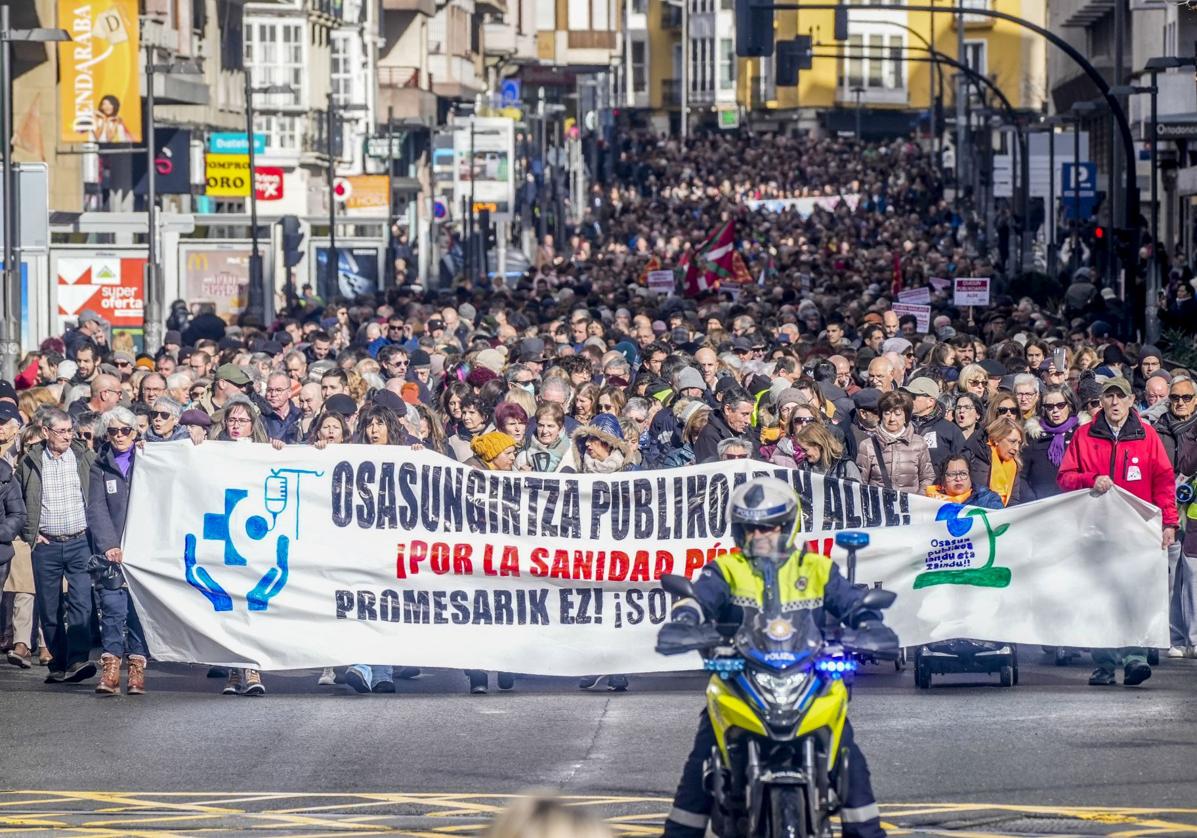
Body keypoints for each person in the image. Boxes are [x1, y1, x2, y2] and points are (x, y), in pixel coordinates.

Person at [662, 477, 891, 838]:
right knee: (702, 759)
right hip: (741, 677)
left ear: (788, 525)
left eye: (768, 526)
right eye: (750, 527)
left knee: (849, 756)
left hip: (808, 677)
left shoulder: (816, 567)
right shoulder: (727, 568)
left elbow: (850, 601)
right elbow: (698, 596)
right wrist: (684, 620)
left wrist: (869, 624)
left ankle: (866, 833)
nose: (759, 535)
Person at [1057, 376, 1179, 687]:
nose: (1114, 403)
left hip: (1137, 531)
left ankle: (1134, 657)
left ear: (1129, 401)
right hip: (1095, 530)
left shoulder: (1146, 436)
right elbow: (1065, 478)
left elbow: (1164, 481)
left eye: (1119, 397)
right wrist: (1090, 479)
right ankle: (1105, 665)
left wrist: (1169, 522)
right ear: (1101, 401)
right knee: (1099, 597)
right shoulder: (1085, 435)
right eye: (1108, 397)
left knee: (1133, 595)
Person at [16, 407, 97, 684]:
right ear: (46, 432)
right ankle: (58, 662)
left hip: (80, 541)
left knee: (82, 604)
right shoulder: (30, 461)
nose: (67, 436)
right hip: (46, 545)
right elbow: (18, 500)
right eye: (61, 431)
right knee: (49, 609)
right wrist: (31, 533)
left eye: (69, 430)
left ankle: (77, 659)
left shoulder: (84, 456)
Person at [86, 407, 148, 696]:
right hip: (112, 553)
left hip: (143, 548)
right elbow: (96, 507)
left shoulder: (149, 458)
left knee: (138, 611)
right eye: (113, 431)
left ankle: (136, 669)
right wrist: (109, 544)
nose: (120, 436)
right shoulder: (99, 464)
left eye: (126, 430)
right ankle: (110, 669)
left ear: (135, 433)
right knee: (112, 608)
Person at [856, 391, 934, 493]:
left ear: (906, 417)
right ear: (881, 415)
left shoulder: (919, 443)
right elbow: (861, 483)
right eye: (887, 413)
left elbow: (927, 477)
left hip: (910, 505)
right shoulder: (867, 446)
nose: (892, 419)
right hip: (878, 505)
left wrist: (918, 499)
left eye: (897, 414)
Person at [1022, 385, 1080, 500]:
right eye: (1049, 407)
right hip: (1040, 506)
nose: (1055, 411)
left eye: (1060, 405)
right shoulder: (1033, 436)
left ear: (1070, 406)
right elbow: (1021, 475)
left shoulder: (1081, 433)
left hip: (1074, 503)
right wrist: (1032, 501)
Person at [903, 377, 965, 470]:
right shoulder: (901, 425)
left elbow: (961, 463)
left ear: (930, 401)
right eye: (907, 395)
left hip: (936, 484)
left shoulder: (949, 430)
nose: (908, 399)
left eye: (913, 396)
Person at [966, 416, 1029, 507]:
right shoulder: (977, 458)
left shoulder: (1014, 464)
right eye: (1012, 441)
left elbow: (1013, 500)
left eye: (1019, 443)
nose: (1016, 448)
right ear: (996, 439)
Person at [925, 453, 1003, 508]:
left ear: (970, 476)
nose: (958, 479)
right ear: (943, 479)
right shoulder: (929, 501)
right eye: (952, 474)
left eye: (963, 473)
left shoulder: (988, 500)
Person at [794, 422, 862, 482]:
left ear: (819, 445)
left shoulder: (846, 466)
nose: (803, 454)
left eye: (805, 450)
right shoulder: (804, 466)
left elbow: (858, 493)